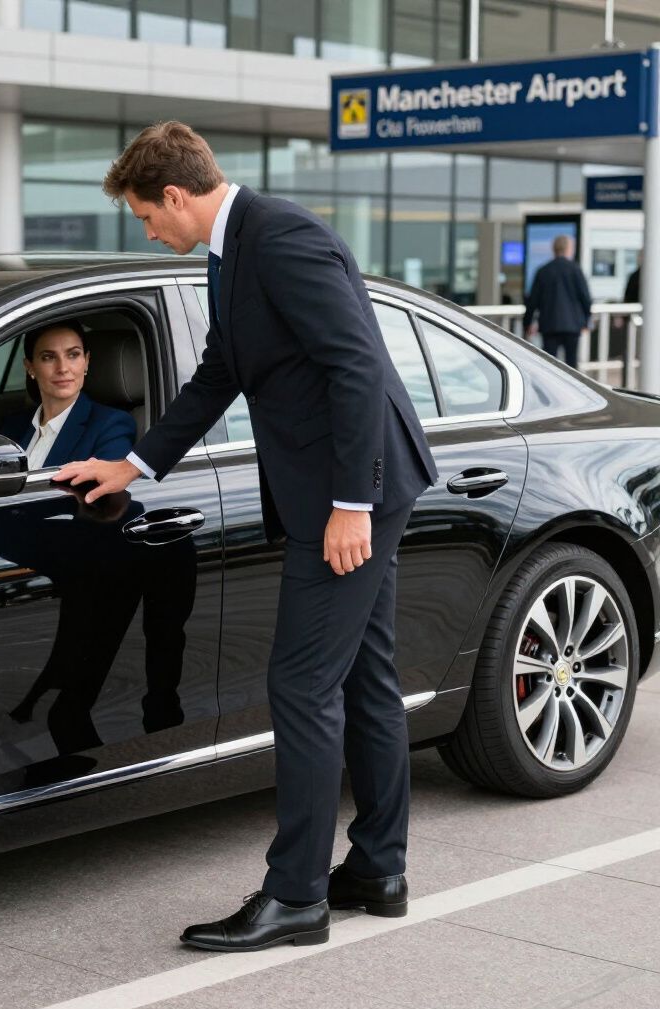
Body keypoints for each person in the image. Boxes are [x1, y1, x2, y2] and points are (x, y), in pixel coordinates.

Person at [54, 121, 437, 952]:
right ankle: (379, 870)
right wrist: (133, 465)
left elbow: (355, 366)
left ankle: (297, 896)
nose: (147, 233)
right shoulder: (232, 252)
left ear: (175, 196)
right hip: (341, 488)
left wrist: (351, 504)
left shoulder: (282, 238)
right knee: (365, 677)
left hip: (348, 493)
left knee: (301, 686)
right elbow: (221, 373)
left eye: (145, 217)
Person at [1, 320, 135, 469]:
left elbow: (109, 483)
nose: (63, 368)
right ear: (30, 367)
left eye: (73, 355)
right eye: (48, 357)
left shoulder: (111, 427)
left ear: (86, 361)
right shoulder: (14, 426)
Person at [522, 235, 592, 370]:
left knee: (549, 365)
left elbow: (533, 301)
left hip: (549, 325)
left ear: (554, 249)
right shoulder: (575, 270)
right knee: (571, 364)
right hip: (572, 326)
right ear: (569, 249)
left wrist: (527, 324)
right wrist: (586, 320)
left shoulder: (543, 271)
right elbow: (585, 298)